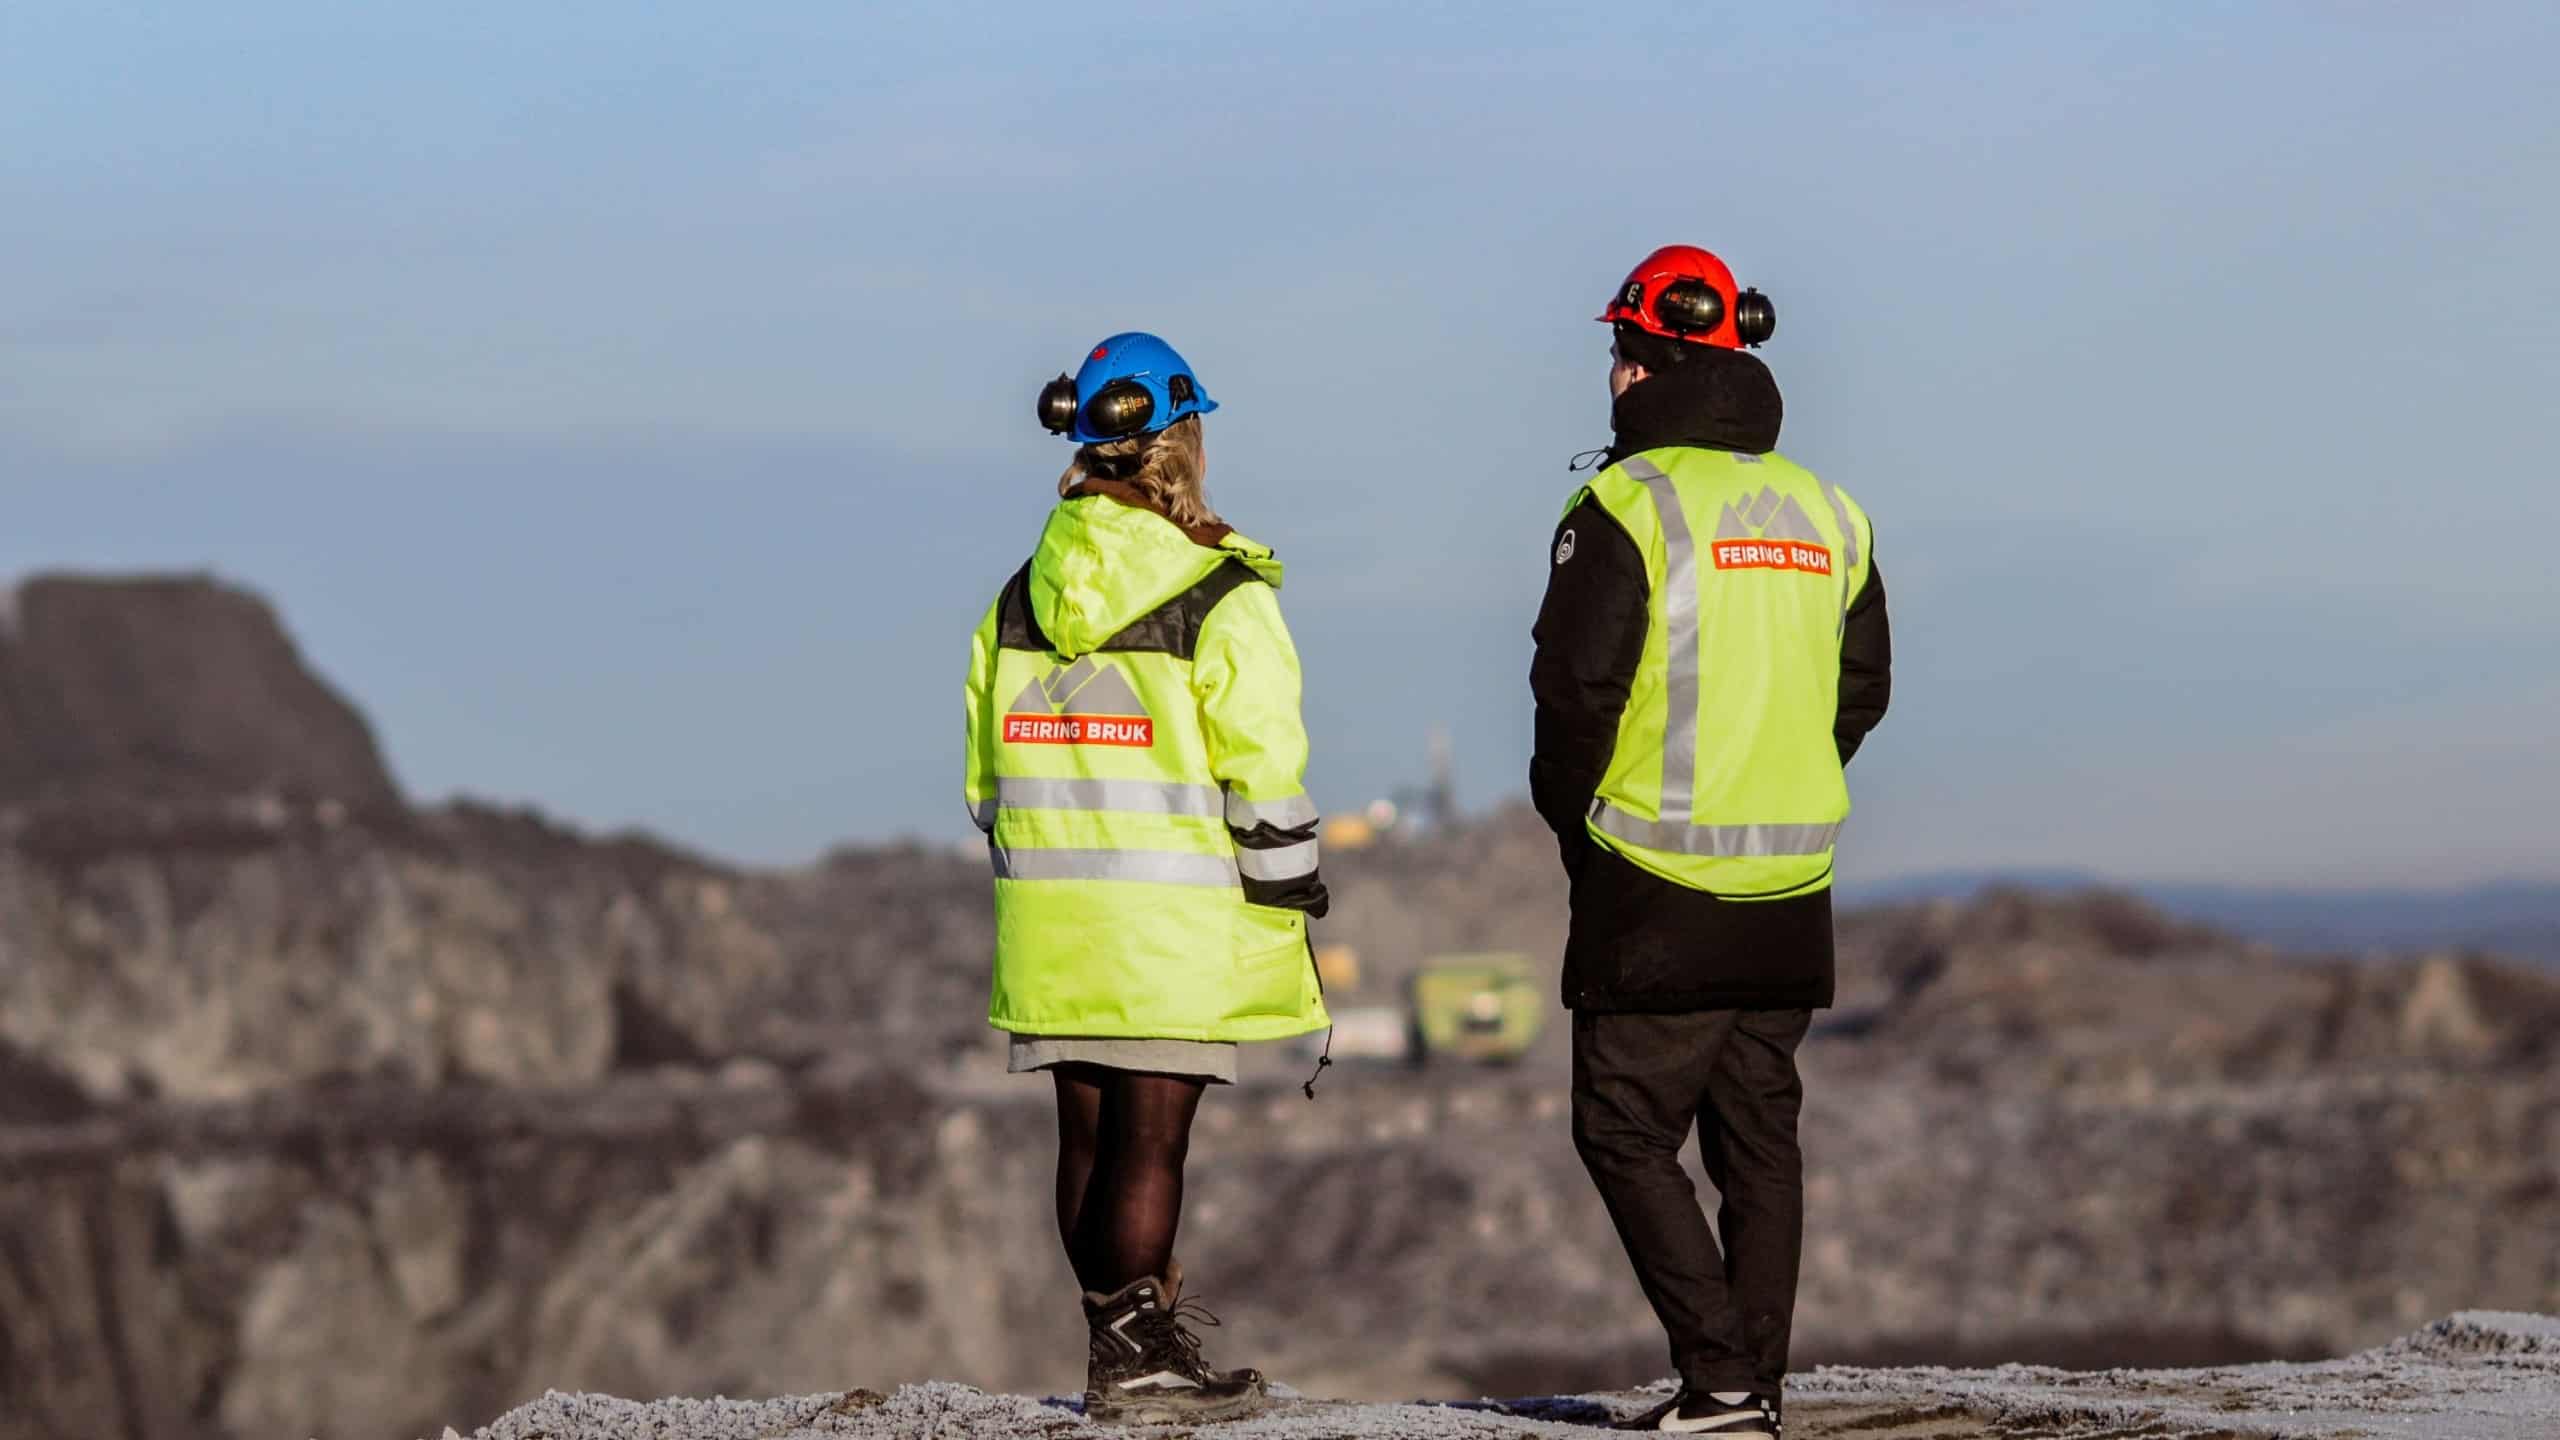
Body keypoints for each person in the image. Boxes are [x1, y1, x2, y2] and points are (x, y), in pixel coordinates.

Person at [1529, 247, 1892, 1436]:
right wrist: (1779, 779)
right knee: (1759, 1141)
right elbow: (1862, 691)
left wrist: (1581, 830)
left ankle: (1723, 1384)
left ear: (1639, 367)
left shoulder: (1628, 506)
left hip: (1655, 874)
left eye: (1617, 355)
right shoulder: (1829, 513)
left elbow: (1574, 697)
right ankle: (1751, 1392)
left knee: (1621, 1131)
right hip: (1792, 880)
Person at [962, 331, 1331, 1426]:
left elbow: (985, 779)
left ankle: (1118, 1344)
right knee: (1151, 1140)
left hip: (1048, 917)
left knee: (1085, 1138)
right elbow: (1262, 762)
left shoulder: (1017, 598)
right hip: (1168, 921)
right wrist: (1288, 883)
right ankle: (1137, 1362)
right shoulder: (1222, 593)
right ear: (1185, 442)